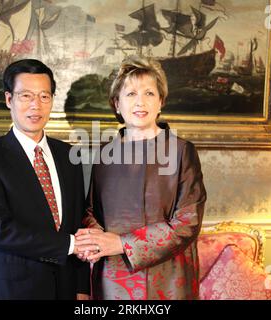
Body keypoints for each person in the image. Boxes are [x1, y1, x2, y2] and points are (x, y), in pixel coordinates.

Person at [74, 55, 207, 300]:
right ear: (117, 104)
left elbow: (188, 221)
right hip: (113, 276)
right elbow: (91, 211)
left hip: (167, 278)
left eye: (149, 93)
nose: (140, 102)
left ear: (161, 102)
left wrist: (122, 244)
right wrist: (95, 242)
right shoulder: (104, 153)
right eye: (131, 94)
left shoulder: (181, 151)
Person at [0, 59, 90, 300]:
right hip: (10, 290)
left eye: (44, 96)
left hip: (65, 289)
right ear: (9, 99)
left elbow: (78, 223)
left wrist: (82, 287)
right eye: (26, 96)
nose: (36, 105)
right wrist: (70, 245)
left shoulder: (68, 155)